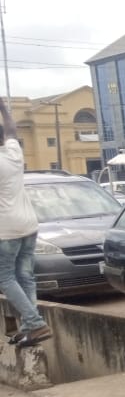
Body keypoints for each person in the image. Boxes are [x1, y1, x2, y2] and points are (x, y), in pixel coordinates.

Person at [0, 97, 52, 348]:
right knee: (25, 276)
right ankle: (30, 327)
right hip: (29, 224)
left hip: (6, 230)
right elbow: (11, 129)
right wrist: (2, 107)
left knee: (5, 277)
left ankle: (34, 322)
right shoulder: (13, 153)